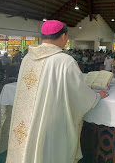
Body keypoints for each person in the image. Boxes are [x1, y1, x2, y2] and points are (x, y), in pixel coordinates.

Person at [6, 20, 109, 163]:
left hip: (27, 119)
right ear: (63, 36)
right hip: (50, 122)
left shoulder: (28, 58)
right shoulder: (64, 61)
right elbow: (80, 95)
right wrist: (97, 96)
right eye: (66, 37)